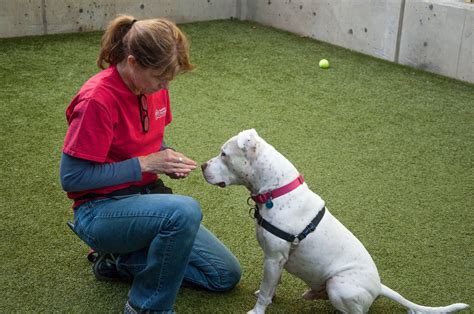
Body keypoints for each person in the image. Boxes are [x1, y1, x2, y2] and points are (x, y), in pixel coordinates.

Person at [60, 15, 241, 313]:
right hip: (99, 210)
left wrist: (167, 158)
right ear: (133, 63)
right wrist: (145, 163)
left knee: (223, 275)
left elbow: (153, 140)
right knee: (184, 212)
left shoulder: (154, 89)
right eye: (160, 77)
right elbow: (73, 177)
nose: (165, 85)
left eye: (169, 78)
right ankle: (146, 307)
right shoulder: (97, 100)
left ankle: (116, 262)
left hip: (146, 199)